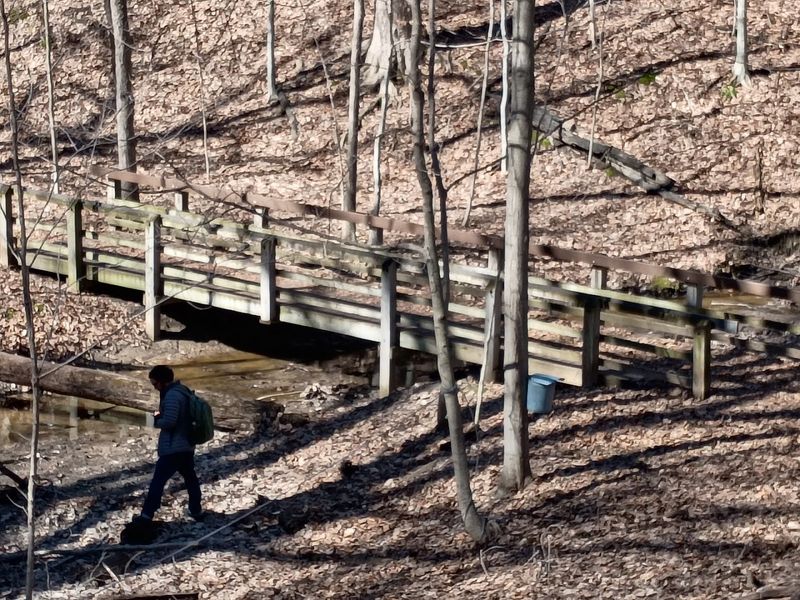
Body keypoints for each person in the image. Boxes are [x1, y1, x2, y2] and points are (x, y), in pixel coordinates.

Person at [137, 364, 203, 522]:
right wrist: (159, 414)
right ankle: (196, 510)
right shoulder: (182, 391)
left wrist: (153, 421)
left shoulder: (172, 395)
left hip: (174, 448)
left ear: (162, 382)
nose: (154, 387)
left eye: (154, 384)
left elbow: (170, 422)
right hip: (186, 445)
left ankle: (146, 515)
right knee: (190, 478)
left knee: (158, 482)